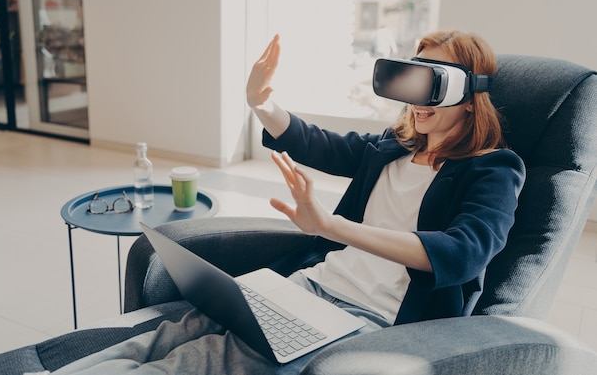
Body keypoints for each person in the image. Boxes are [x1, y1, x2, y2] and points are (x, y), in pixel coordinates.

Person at [49, 30, 525, 375]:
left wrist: (331, 226)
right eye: (412, 80)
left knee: (197, 363)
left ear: (468, 97)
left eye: (432, 84)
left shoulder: (494, 169)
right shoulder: (393, 146)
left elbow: (462, 254)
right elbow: (317, 143)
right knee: (170, 335)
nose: (417, 100)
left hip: (369, 318)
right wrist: (260, 102)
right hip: (312, 284)